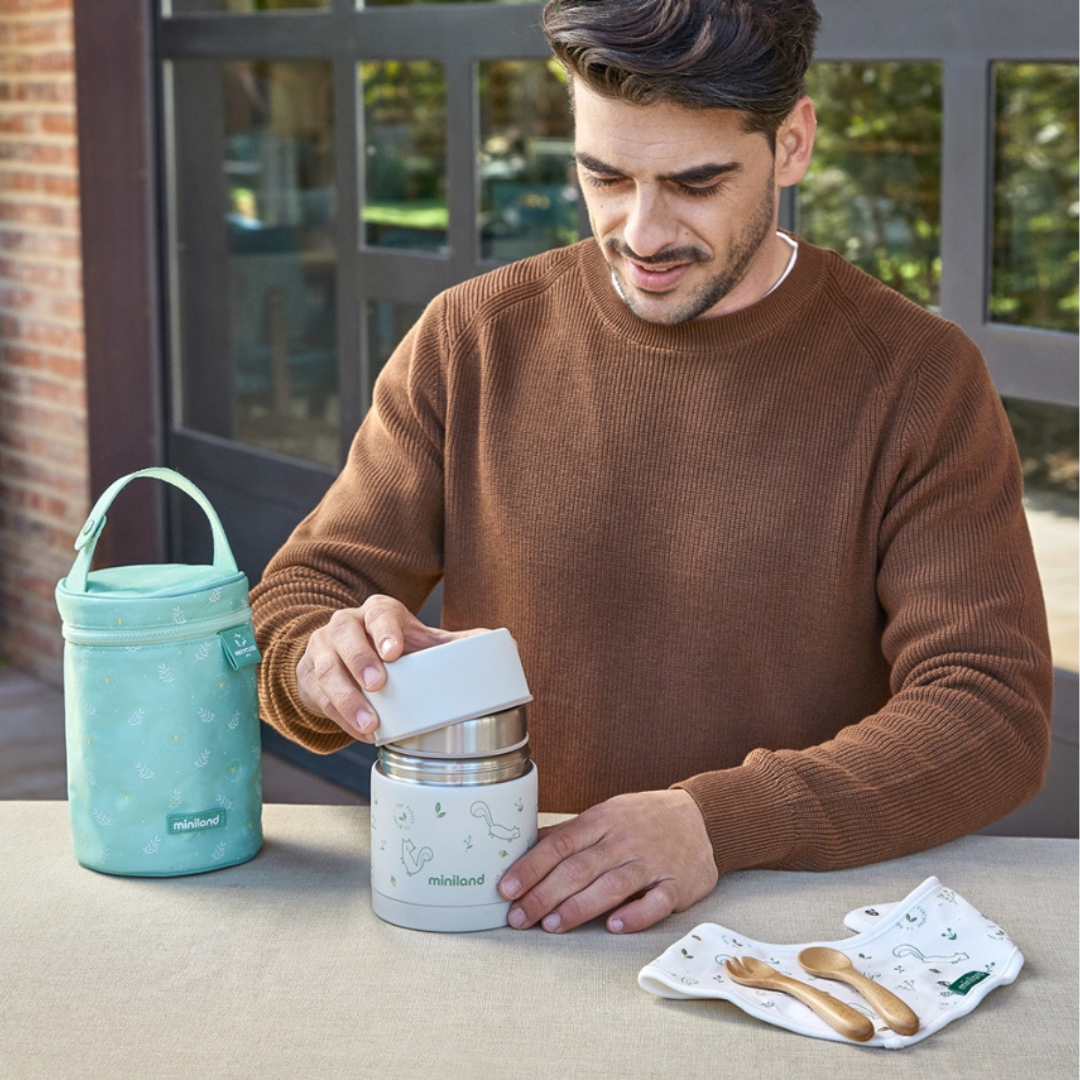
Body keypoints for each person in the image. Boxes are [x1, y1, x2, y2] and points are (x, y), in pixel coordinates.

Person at [251, 0, 1052, 936]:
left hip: (790, 934)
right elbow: (301, 593)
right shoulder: (471, 341)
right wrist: (319, 663)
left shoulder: (918, 378)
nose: (641, 232)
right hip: (508, 916)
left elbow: (990, 712)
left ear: (790, 145)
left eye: (696, 183)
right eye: (605, 176)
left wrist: (722, 823)